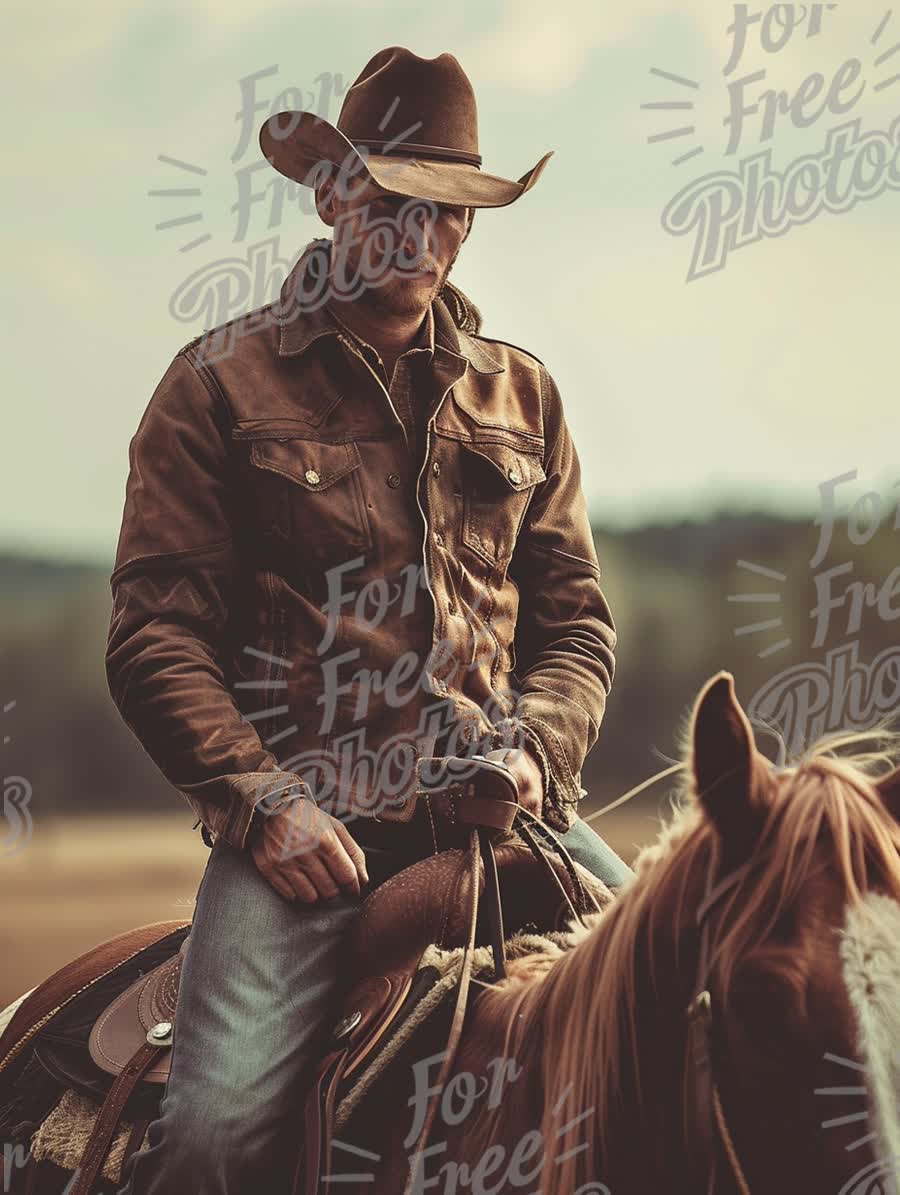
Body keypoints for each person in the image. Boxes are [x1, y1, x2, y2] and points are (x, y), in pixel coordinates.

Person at [106, 45, 633, 1195]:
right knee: (213, 1134)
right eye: (397, 201)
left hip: (501, 814)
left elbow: (577, 624)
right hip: (306, 839)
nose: (425, 236)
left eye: (451, 214)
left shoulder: (523, 395)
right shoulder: (215, 385)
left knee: (698, 1003)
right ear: (335, 193)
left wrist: (536, 754)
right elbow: (156, 637)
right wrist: (262, 805)